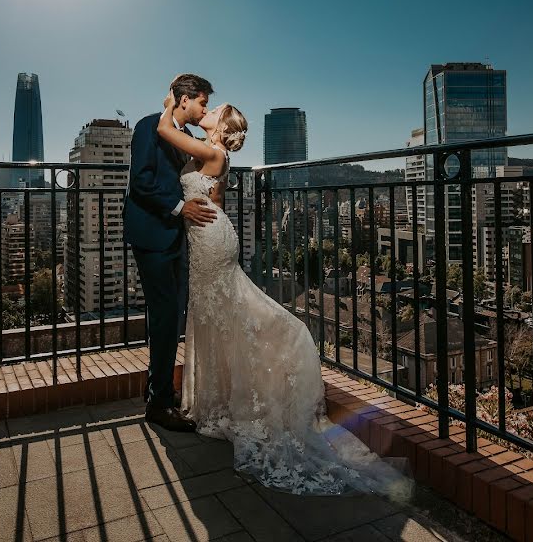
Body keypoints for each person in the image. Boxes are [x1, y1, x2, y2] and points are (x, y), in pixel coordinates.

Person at [156, 89, 415, 501]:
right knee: (209, 318)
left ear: (222, 126)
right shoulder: (208, 149)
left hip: (212, 240)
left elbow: (163, 128)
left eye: (214, 109)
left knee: (226, 313)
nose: (208, 109)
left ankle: (271, 364)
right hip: (204, 240)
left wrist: (173, 98)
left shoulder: (215, 154)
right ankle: (215, 402)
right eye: (206, 104)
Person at [124, 74, 217, 432]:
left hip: (175, 238)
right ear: (184, 100)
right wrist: (181, 208)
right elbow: (142, 183)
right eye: (202, 102)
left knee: (171, 318)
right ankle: (159, 403)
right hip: (152, 235)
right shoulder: (149, 127)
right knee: (165, 318)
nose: (203, 109)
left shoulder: (186, 137)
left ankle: (159, 391)